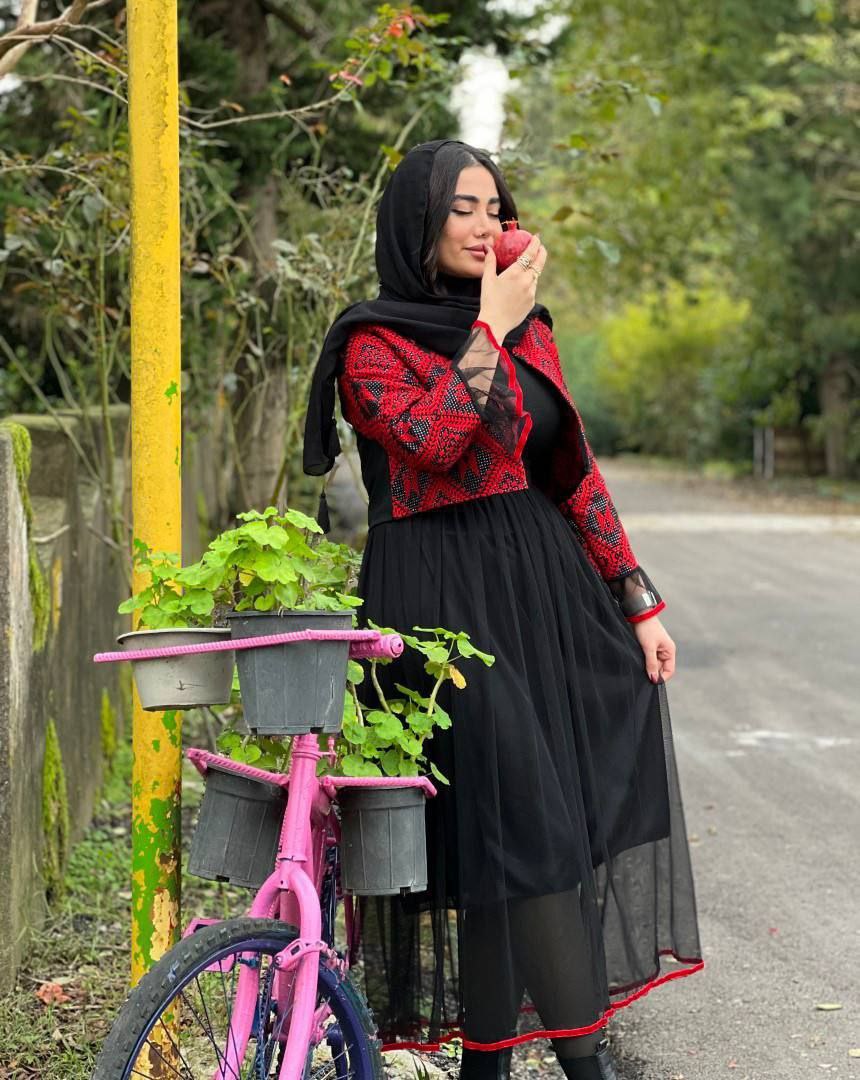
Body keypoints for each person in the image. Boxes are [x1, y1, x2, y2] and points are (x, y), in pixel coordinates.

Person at [303, 139, 703, 1080]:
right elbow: (435, 440)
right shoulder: (370, 343)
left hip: (542, 594)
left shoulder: (531, 329)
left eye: (496, 207)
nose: (486, 226)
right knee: (527, 832)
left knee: (511, 849)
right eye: (463, 208)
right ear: (418, 221)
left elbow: (572, 471)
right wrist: (490, 324)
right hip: (437, 607)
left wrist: (636, 597)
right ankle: (587, 1069)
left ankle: (486, 1067)